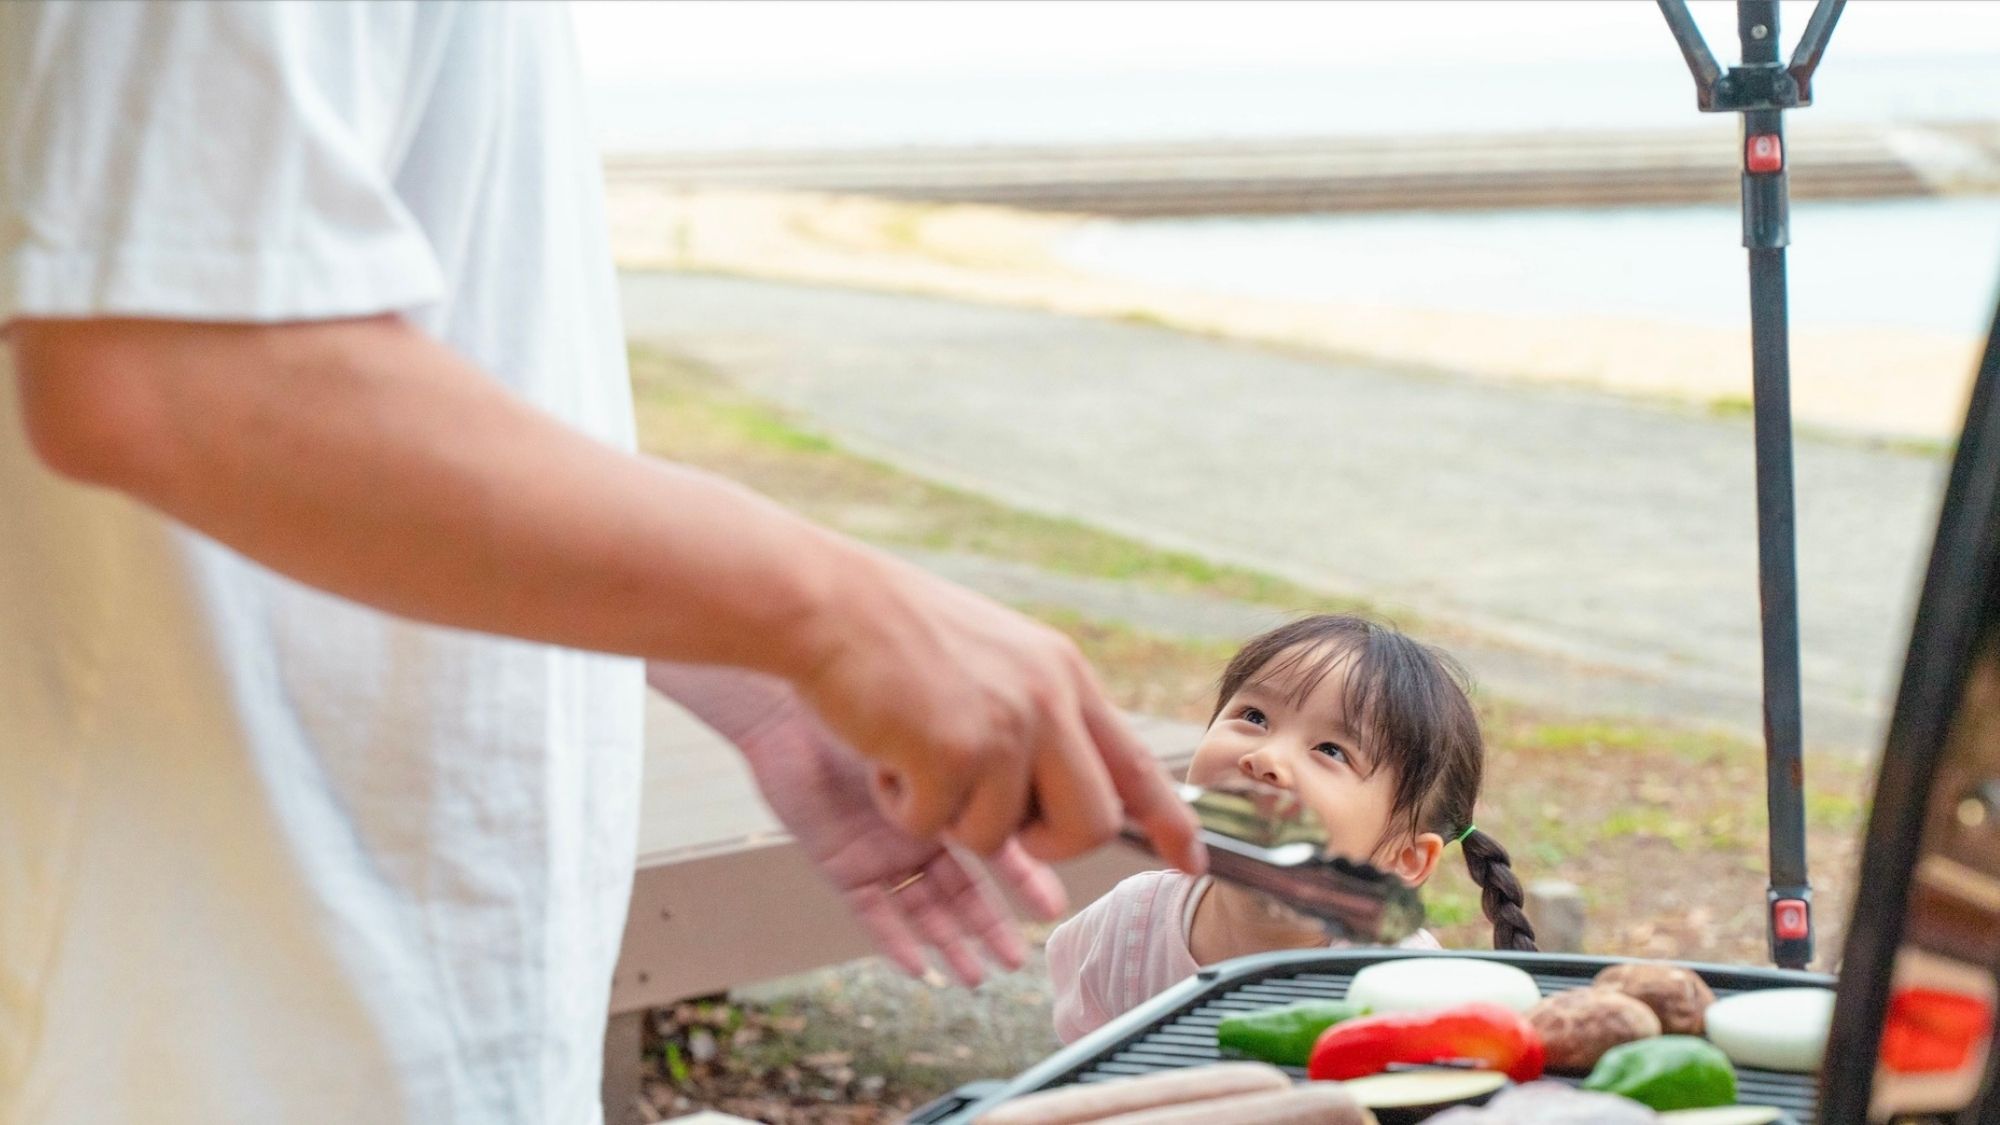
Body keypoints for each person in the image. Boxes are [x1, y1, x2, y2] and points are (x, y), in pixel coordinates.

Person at [0, 4, 1202, 1123]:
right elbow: (174, 371)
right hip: (208, 1009)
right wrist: (833, 612)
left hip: (345, 982)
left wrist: (740, 664)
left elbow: (417, 361)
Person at [1046, 615, 1537, 1043]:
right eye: (1254, 716)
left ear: (1402, 860)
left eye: (1331, 750)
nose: (1265, 759)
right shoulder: (1126, 927)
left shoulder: (1405, 987)